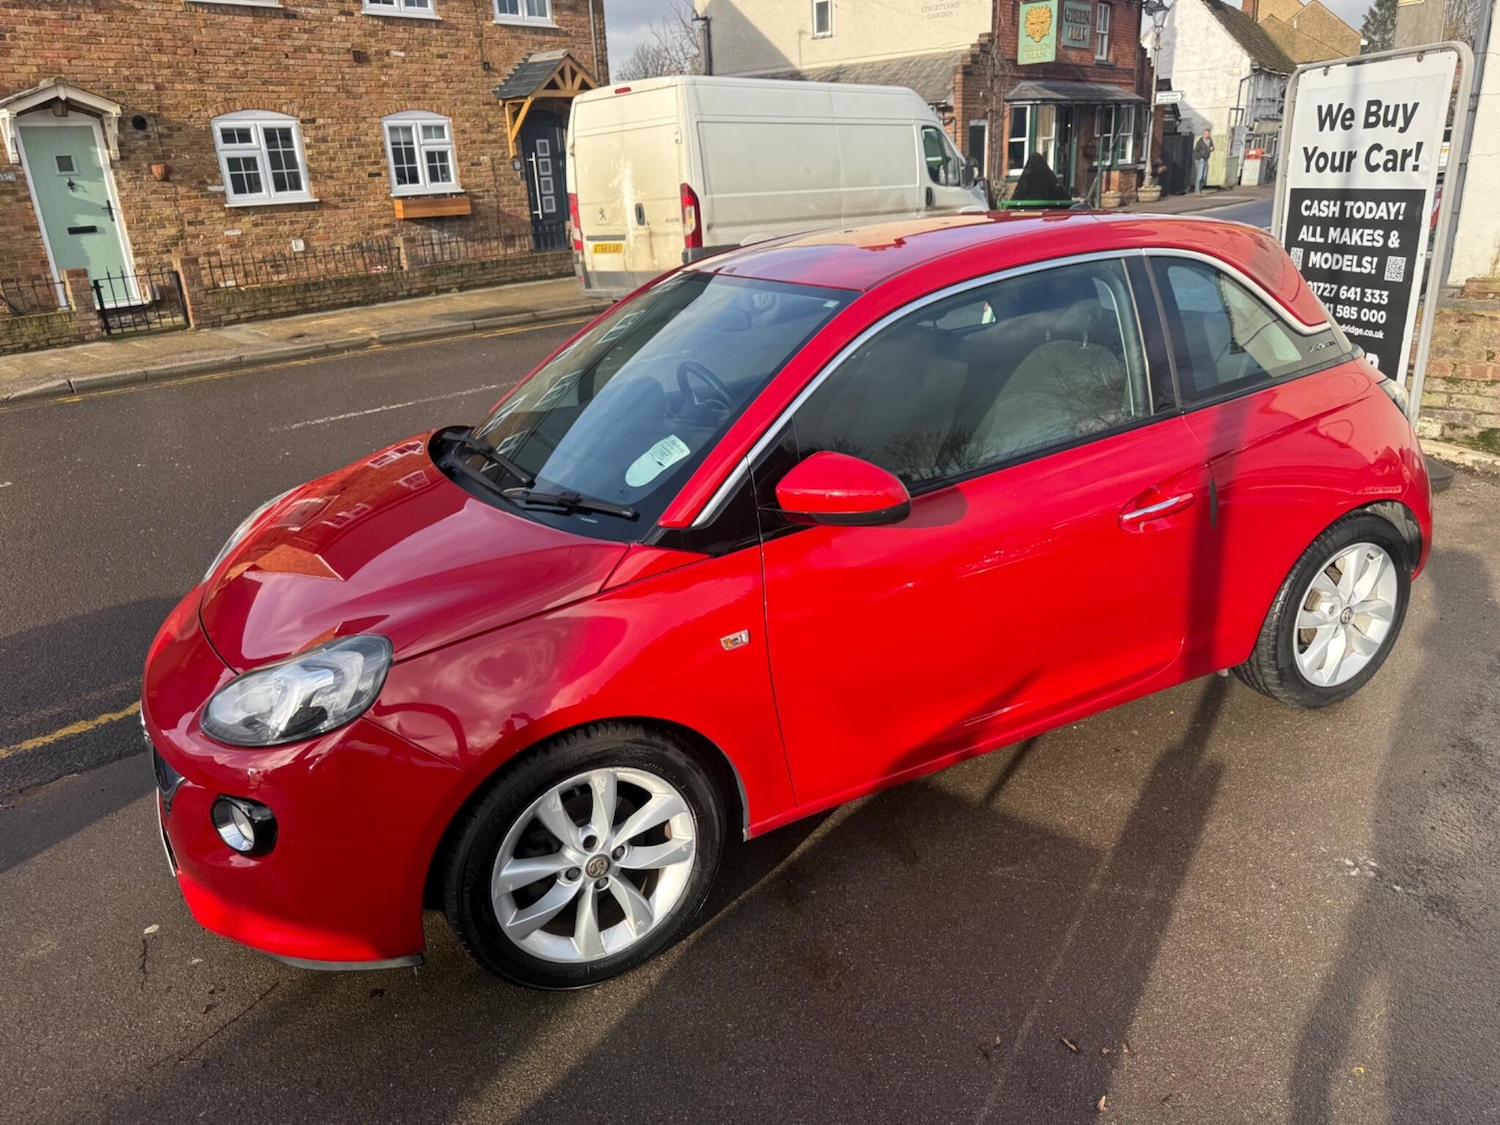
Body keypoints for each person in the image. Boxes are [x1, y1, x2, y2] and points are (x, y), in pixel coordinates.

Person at [1193, 127, 1214, 192]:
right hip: (1200, 160)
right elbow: (1195, 151)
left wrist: (1212, 148)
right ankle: (1197, 190)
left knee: (1204, 176)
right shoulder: (1200, 142)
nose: (1206, 135)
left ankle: (1200, 188)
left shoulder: (1210, 140)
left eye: (1208, 134)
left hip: (1206, 159)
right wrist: (1199, 157)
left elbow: (1212, 147)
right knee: (1199, 176)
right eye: (1205, 133)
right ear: (1203, 134)